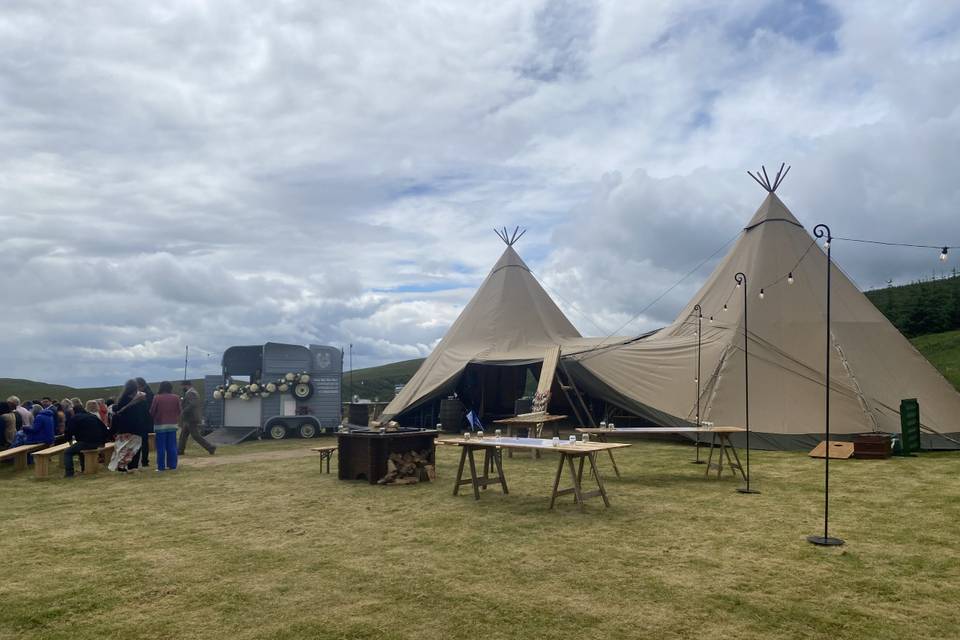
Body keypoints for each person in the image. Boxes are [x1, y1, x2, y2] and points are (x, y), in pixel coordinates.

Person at [62, 400, 109, 477]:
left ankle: (69, 473)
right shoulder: (92, 416)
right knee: (80, 450)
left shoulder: (75, 418)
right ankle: (84, 469)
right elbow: (104, 429)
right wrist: (103, 442)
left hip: (86, 442)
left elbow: (69, 431)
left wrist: (68, 439)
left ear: (74, 411)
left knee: (67, 452)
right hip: (97, 442)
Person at [108, 380, 146, 473]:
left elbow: (117, 412)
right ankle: (133, 466)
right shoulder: (140, 399)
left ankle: (121, 466)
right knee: (135, 448)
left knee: (122, 448)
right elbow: (144, 413)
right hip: (136, 427)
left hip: (123, 427)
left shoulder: (122, 399)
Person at [178, 380, 215, 456]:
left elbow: (192, 404)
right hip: (189, 418)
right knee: (183, 435)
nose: (182, 387)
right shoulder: (191, 392)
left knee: (195, 436)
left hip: (191, 418)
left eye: (182, 386)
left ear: (186, 385)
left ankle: (210, 447)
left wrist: (184, 410)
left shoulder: (191, 393)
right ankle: (180, 450)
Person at [149, 381, 181, 471]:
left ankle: (161, 467)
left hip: (160, 425)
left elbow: (152, 411)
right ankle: (173, 465)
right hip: (173, 424)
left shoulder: (157, 398)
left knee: (161, 447)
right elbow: (179, 410)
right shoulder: (176, 397)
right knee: (172, 446)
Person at [128, 378, 154, 470]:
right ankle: (143, 461)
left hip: (141, 421)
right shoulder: (148, 393)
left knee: (140, 442)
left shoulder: (145, 395)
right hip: (145, 422)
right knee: (143, 442)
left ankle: (141, 461)